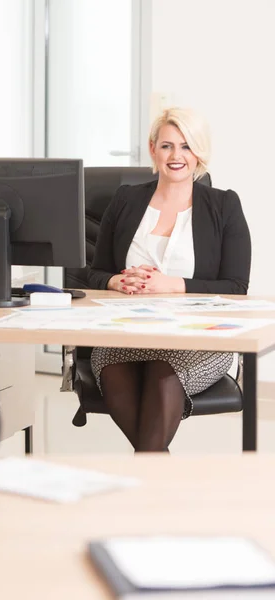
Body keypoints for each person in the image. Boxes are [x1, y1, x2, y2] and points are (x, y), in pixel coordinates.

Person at [88, 107, 251, 452]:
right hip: (125, 335)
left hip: (197, 339)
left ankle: (149, 488)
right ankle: (158, 486)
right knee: (113, 369)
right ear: (152, 150)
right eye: (167, 146)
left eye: (186, 146)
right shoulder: (126, 200)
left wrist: (173, 284)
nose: (176, 156)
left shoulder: (224, 206)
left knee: (163, 372)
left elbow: (236, 287)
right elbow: (94, 273)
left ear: (199, 153)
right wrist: (114, 282)